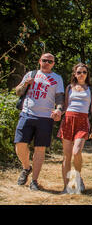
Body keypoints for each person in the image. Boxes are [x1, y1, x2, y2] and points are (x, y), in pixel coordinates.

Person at [14, 53, 64, 191]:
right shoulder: (31, 74)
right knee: (19, 144)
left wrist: (59, 110)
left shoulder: (57, 78)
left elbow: (60, 97)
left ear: (53, 63)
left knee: (40, 149)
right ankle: (26, 168)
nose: (47, 63)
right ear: (39, 61)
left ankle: (34, 181)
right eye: (44, 60)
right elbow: (18, 92)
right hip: (27, 114)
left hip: (46, 117)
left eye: (50, 61)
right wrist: (25, 83)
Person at [58, 63, 92, 194]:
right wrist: (57, 112)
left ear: (87, 74)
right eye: (79, 72)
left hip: (82, 121)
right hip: (68, 120)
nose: (82, 75)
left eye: (84, 72)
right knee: (67, 155)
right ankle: (66, 187)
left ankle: (78, 177)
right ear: (74, 74)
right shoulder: (69, 87)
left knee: (76, 152)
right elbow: (65, 105)